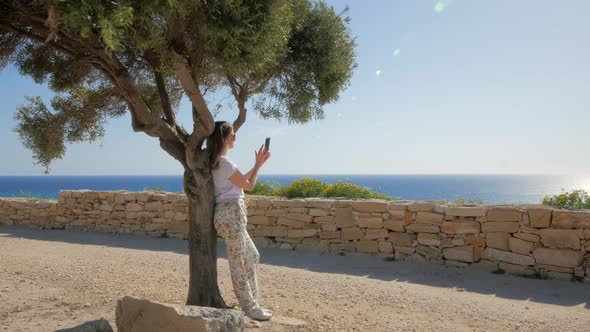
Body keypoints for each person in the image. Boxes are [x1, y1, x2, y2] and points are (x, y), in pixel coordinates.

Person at [208, 121, 272, 321]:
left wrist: (256, 164)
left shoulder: (221, 162)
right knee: (239, 264)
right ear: (224, 138)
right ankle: (250, 308)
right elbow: (250, 186)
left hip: (232, 215)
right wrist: (259, 166)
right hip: (231, 215)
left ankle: (253, 303)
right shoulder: (224, 162)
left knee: (252, 256)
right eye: (233, 135)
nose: (235, 138)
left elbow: (240, 183)